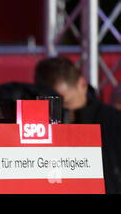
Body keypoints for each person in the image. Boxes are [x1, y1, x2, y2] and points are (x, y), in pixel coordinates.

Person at [34, 56, 121, 194]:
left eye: (65, 104)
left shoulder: (113, 122)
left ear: (82, 85)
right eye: (51, 105)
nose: (60, 112)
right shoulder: (34, 126)